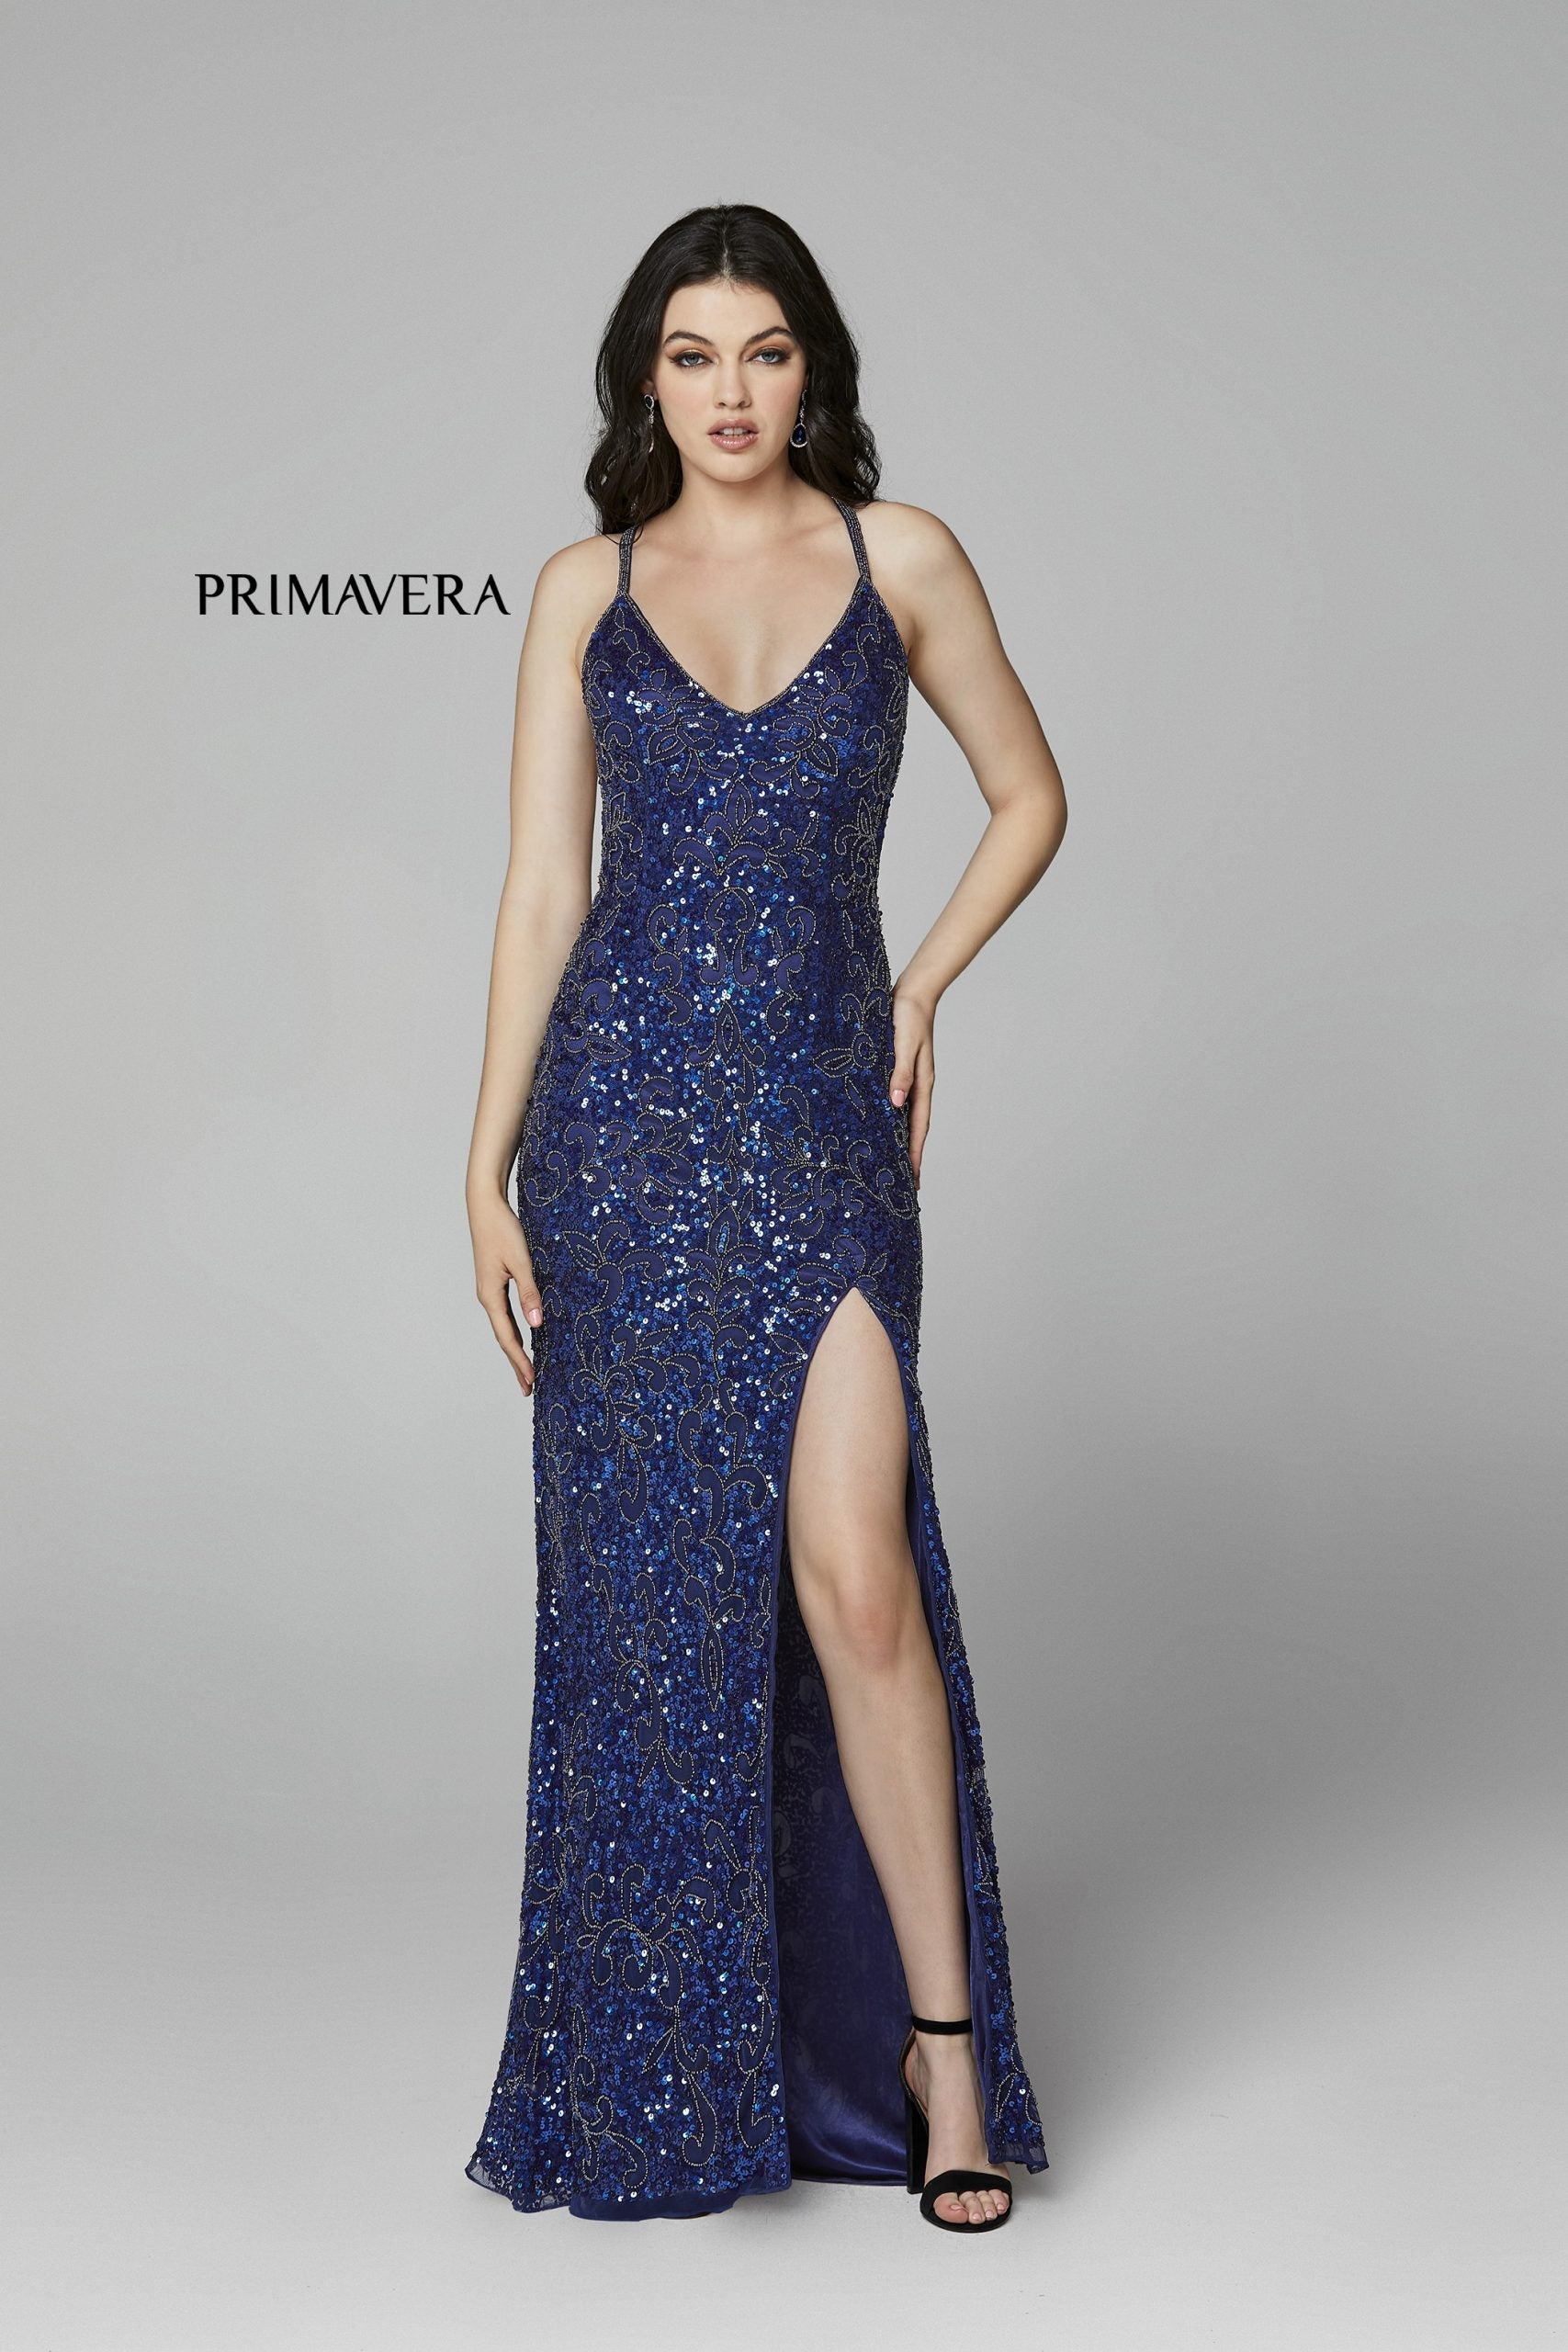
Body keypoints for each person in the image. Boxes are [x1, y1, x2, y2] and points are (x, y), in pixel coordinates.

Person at [463, 203, 1066, 2230]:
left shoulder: (904, 558)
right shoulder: (583, 587)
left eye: (767, 350)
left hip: (818, 1131)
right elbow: (544, 890)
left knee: (856, 1574)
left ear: (817, 368)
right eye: (692, 354)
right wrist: (482, 1163)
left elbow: (1030, 795)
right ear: (646, 378)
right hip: (618, 1140)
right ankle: (665, 2065)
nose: (731, 392)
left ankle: (941, 2050)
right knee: (644, 1615)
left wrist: (920, 985)